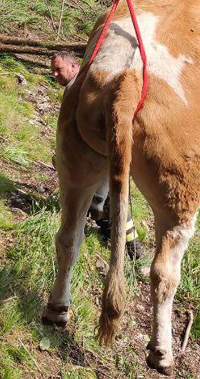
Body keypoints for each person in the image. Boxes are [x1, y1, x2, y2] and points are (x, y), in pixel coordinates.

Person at [50, 52, 143, 259]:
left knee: (107, 204)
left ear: (73, 66)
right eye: (53, 70)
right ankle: (125, 243)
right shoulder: (80, 85)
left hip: (104, 157)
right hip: (104, 157)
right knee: (110, 204)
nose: (55, 74)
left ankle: (134, 250)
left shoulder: (85, 88)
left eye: (59, 69)